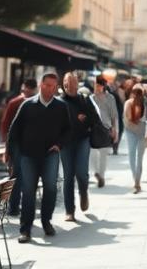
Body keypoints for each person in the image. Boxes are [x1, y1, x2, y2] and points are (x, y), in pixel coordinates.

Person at [7, 73, 70, 244]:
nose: (51, 89)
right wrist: (9, 154)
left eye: (54, 86)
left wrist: (59, 144)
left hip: (51, 154)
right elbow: (14, 130)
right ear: (41, 85)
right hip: (28, 155)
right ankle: (25, 229)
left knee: (50, 188)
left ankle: (46, 221)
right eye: (48, 85)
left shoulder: (61, 106)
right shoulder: (27, 105)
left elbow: (67, 129)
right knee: (28, 191)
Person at [59, 72, 98, 218]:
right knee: (68, 176)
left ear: (77, 83)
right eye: (65, 81)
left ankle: (83, 192)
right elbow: (57, 122)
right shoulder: (59, 101)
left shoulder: (84, 100)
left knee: (81, 173)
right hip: (66, 143)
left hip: (82, 140)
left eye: (71, 81)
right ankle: (70, 211)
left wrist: (85, 118)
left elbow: (94, 119)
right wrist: (76, 119)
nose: (68, 84)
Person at [0, 78, 37, 217]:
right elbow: (5, 123)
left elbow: (4, 123)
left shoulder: (18, 102)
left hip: (27, 144)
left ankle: (16, 206)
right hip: (18, 144)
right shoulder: (16, 102)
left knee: (21, 176)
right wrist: (6, 144)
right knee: (18, 176)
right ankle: (14, 207)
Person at [89, 77, 118, 188]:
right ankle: (96, 173)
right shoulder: (90, 98)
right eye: (96, 85)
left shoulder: (110, 98)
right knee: (92, 153)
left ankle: (101, 175)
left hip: (106, 129)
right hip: (93, 129)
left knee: (103, 155)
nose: (97, 87)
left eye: (99, 85)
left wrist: (115, 130)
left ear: (103, 86)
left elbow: (114, 115)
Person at [123, 86, 147, 193]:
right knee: (132, 155)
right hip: (130, 131)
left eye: (139, 93)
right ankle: (136, 180)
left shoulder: (146, 104)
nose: (137, 95)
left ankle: (137, 181)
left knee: (140, 158)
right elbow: (129, 117)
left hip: (141, 132)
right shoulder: (128, 103)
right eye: (135, 92)